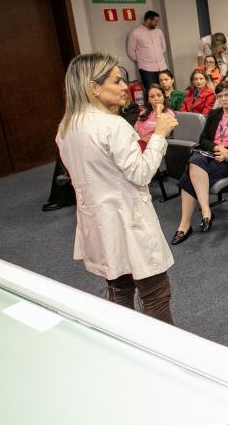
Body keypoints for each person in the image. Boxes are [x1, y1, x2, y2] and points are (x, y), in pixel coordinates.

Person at [56, 53, 178, 323]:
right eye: (116, 80)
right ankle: (167, 355)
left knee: (119, 288)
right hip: (128, 218)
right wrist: (159, 135)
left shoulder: (66, 128)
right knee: (155, 292)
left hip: (98, 221)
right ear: (94, 88)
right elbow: (141, 173)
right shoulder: (112, 126)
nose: (125, 86)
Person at [172, 81, 228, 244]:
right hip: (211, 153)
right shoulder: (214, 114)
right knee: (195, 159)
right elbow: (203, 139)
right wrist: (217, 147)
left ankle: (184, 226)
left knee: (188, 177)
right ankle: (206, 211)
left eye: (226, 95)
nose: (223, 99)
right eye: (220, 96)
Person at [126, 10, 168, 90]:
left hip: (162, 67)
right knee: (152, 91)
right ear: (148, 20)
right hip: (147, 70)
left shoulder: (158, 31)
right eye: (155, 21)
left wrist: (158, 56)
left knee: (166, 90)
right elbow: (130, 52)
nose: (156, 23)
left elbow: (163, 47)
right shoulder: (135, 33)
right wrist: (143, 60)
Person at [135, 83, 175, 151]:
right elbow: (135, 131)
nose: (156, 98)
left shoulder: (169, 113)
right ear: (148, 100)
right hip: (139, 144)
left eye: (159, 95)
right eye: (152, 97)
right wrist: (140, 140)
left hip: (156, 147)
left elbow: (164, 135)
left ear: (164, 97)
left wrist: (159, 111)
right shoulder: (143, 113)